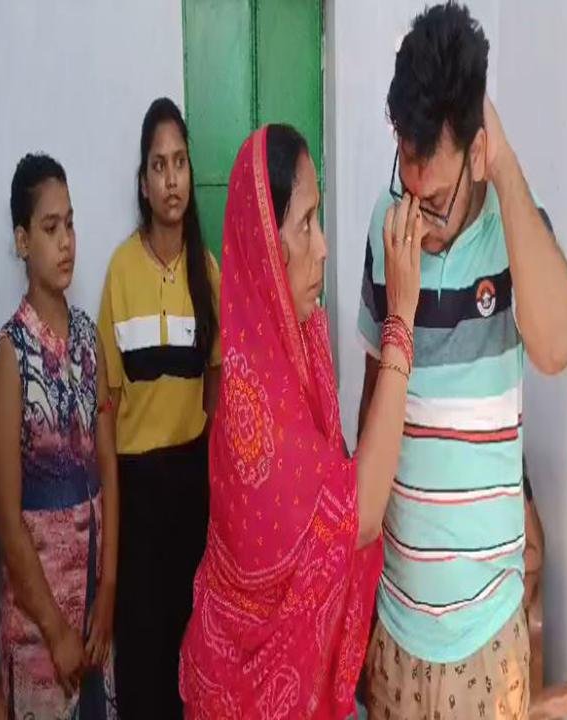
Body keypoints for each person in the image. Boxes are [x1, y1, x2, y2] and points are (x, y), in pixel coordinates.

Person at [355, 4, 567, 717]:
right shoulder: (387, 224)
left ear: (478, 150)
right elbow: (372, 405)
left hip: (485, 640)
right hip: (396, 622)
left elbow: (555, 348)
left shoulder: (515, 227)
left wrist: (504, 167)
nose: (418, 214)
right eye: (408, 180)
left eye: (437, 197)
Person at [179, 124, 420, 718]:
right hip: (242, 695)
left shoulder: (296, 354)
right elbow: (359, 513)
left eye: (319, 219)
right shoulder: (253, 411)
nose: (323, 247)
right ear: (267, 243)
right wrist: (401, 319)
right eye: (305, 223)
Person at [92, 97, 216, 718]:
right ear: (143, 182)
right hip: (137, 502)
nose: (171, 179)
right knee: (144, 674)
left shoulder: (207, 273)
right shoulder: (121, 271)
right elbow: (106, 410)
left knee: (193, 666)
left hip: (193, 496)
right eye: (159, 165)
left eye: (180, 162)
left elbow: (216, 392)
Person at [0, 154, 118, 717]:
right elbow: (6, 515)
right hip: (38, 622)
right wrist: (54, 628)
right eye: (50, 228)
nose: (66, 241)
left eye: (70, 224)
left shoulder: (91, 342)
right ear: (22, 241)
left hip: (93, 612)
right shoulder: (10, 355)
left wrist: (109, 587)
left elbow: (108, 468)